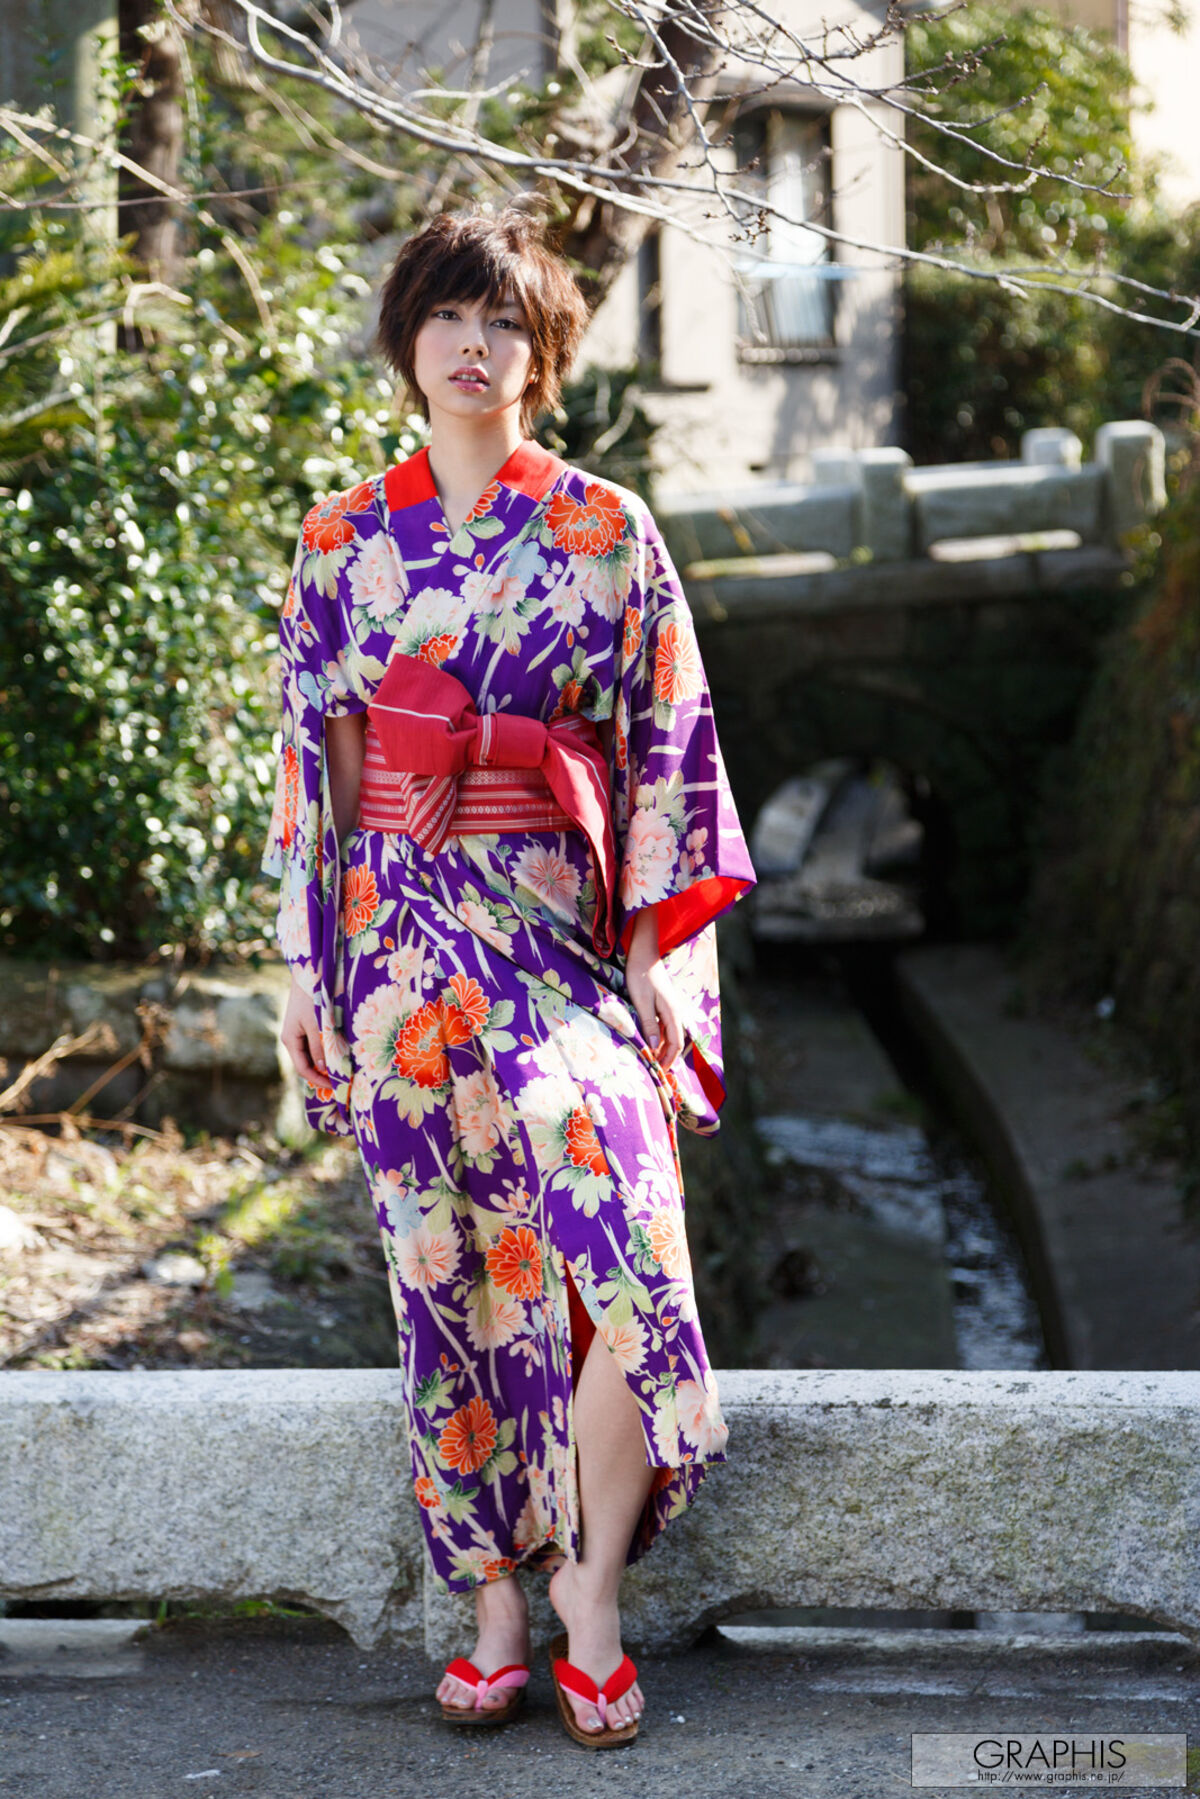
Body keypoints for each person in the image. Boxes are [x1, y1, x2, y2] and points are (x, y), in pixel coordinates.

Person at [262, 205, 755, 1747]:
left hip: (557, 948)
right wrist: (305, 972)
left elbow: (670, 752)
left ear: (543, 355)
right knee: (445, 1278)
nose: (473, 348)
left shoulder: (606, 530)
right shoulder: (342, 541)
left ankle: (590, 1594)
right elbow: (316, 773)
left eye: (505, 325)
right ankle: (491, 1608)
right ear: (407, 340)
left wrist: (662, 954)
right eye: (447, 318)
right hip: (399, 948)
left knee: (631, 1247)